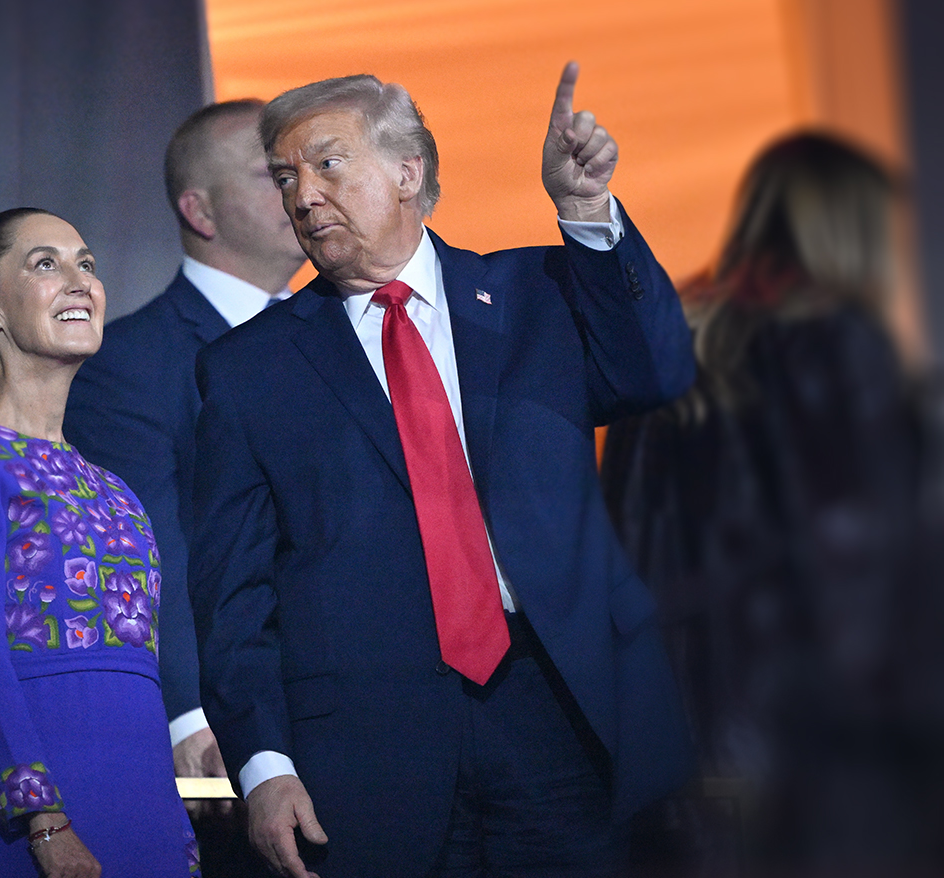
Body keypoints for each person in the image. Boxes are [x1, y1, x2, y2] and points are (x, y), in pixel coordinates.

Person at [189, 65, 695, 877]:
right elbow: (231, 593)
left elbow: (655, 373)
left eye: (327, 163)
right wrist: (264, 766)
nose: (304, 194)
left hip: (557, 714)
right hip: (364, 747)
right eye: (286, 176)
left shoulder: (535, 295)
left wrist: (586, 211)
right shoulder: (248, 369)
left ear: (407, 171)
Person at [602, 132, 942, 874]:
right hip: (816, 754)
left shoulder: (666, 339)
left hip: (676, 741)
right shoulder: (834, 341)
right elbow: (863, 574)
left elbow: (622, 548)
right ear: (855, 228)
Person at [0, 207, 196, 877]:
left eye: (87, 265)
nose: (80, 281)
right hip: (39, 824)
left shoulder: (116, 489)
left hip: (147, 812)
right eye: (46, 264)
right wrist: (44, 821)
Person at [63, 98, 304, 873]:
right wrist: (190, 711)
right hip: (227, 738)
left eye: (303, 170)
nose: (300, 192)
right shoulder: (132, 362)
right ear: (198, 210)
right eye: (275, 175)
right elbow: (147, 548)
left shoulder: (343, 335)